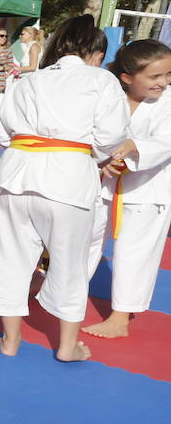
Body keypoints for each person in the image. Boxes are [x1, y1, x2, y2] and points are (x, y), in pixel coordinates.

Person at [0, 15, 129, 363]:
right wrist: (100, 154)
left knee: (7, 259)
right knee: (70, 264)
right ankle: (67, 346)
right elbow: (111, 137)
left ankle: (11, 341)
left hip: (16, 174)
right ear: (93, 51)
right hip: (68, 179)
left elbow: (6, 128)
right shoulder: (101, 81)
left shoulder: (28, 80)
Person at [82, 39, 171, 339]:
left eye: (168, 75)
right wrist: (100, 161)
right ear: (127, 77)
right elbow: (92, 135)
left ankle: (120, 318)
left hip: (149, 191)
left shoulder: (169, 101)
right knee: (84, 239)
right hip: (105, 185)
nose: (164, 82)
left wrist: (134, 147)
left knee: (135, 252)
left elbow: (166, 142)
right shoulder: (112, 98)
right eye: (155, 77)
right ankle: (62, 290)